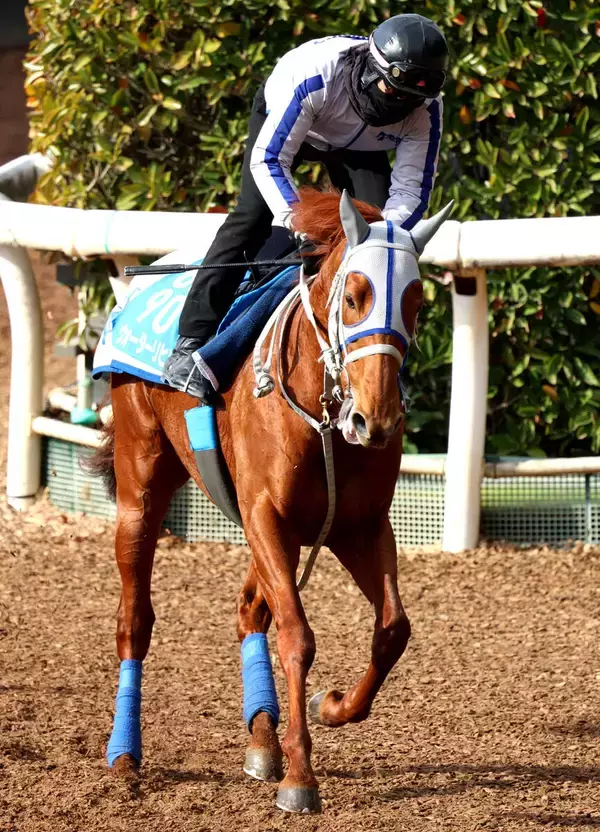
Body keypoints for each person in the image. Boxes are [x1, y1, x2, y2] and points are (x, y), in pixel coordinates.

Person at [164, 13, 449, 400]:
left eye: (414, 99)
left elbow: (411, 191)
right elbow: (268, 160)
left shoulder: (427, 108)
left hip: (360, 147)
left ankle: (375, 369)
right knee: (252, 217)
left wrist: (378, 236)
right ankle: (191, 338)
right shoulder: (317, 76)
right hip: (295, 126)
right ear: (371, 70)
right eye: (395, 93)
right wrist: (298, 222)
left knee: (379, 246)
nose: (403, 107)